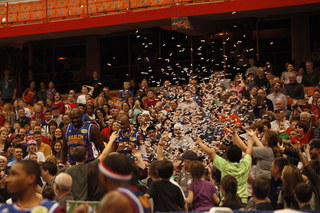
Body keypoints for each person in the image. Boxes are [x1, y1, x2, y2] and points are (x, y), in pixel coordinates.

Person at [196, 136, 253, 206]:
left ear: (227, 157)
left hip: (226, 201)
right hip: (242, 202)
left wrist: (200, 143)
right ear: (241, 156)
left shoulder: (224, 165)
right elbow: (248, 153)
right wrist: (250, 144)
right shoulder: (245, 165)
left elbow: (211, 153)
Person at [62, 131, 118, 201]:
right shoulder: (89, 167)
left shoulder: (68, 171)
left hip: (73, 204)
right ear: (86, 157)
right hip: (87, 205)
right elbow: (104, 155)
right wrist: (111, 140)